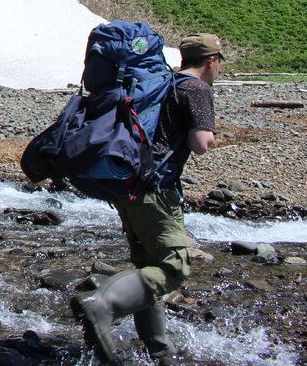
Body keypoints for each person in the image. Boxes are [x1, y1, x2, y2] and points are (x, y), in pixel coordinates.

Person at [71, 33, 223, 365]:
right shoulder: (196, 89)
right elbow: (200, 143)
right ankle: (103, 304)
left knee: (147, 266)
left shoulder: (164, 82)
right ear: (211, 61)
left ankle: (159, 351)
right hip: (157, 191)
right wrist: (210, 132)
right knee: (172, 268)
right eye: (218, 63)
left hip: (128, 185)